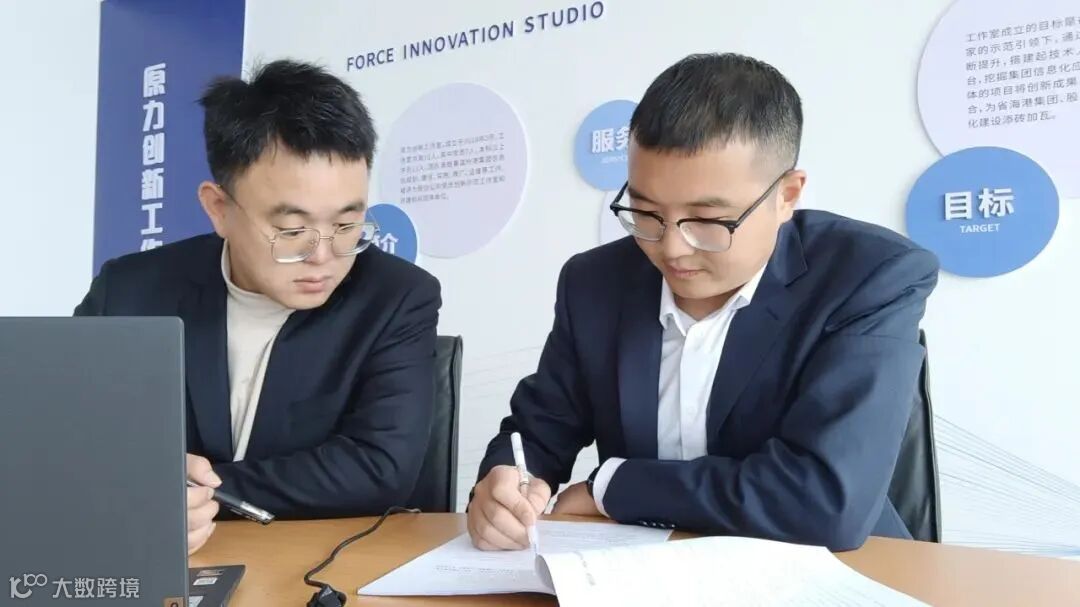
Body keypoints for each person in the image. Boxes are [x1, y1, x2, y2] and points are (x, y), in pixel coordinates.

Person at [468, 53, 939, 552]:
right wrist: (505, 482)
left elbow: (824, 501)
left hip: (836, 572)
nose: (671, 248)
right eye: (646, 212)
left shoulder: (868, 277)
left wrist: (615, 487)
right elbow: (538, 430)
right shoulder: (595, 284)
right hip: (636, 571)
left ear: (786, 195)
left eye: (707, 221)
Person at [75, 60, 441, 554]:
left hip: (320, 565)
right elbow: (64, 436)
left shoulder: (395, 296)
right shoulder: (130, 292)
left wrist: (186, 493)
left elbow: (379, 467)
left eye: (346, 225)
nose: (323, 255)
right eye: (291, 230)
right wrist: (122, 494)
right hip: (154, 564)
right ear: (219, 209)